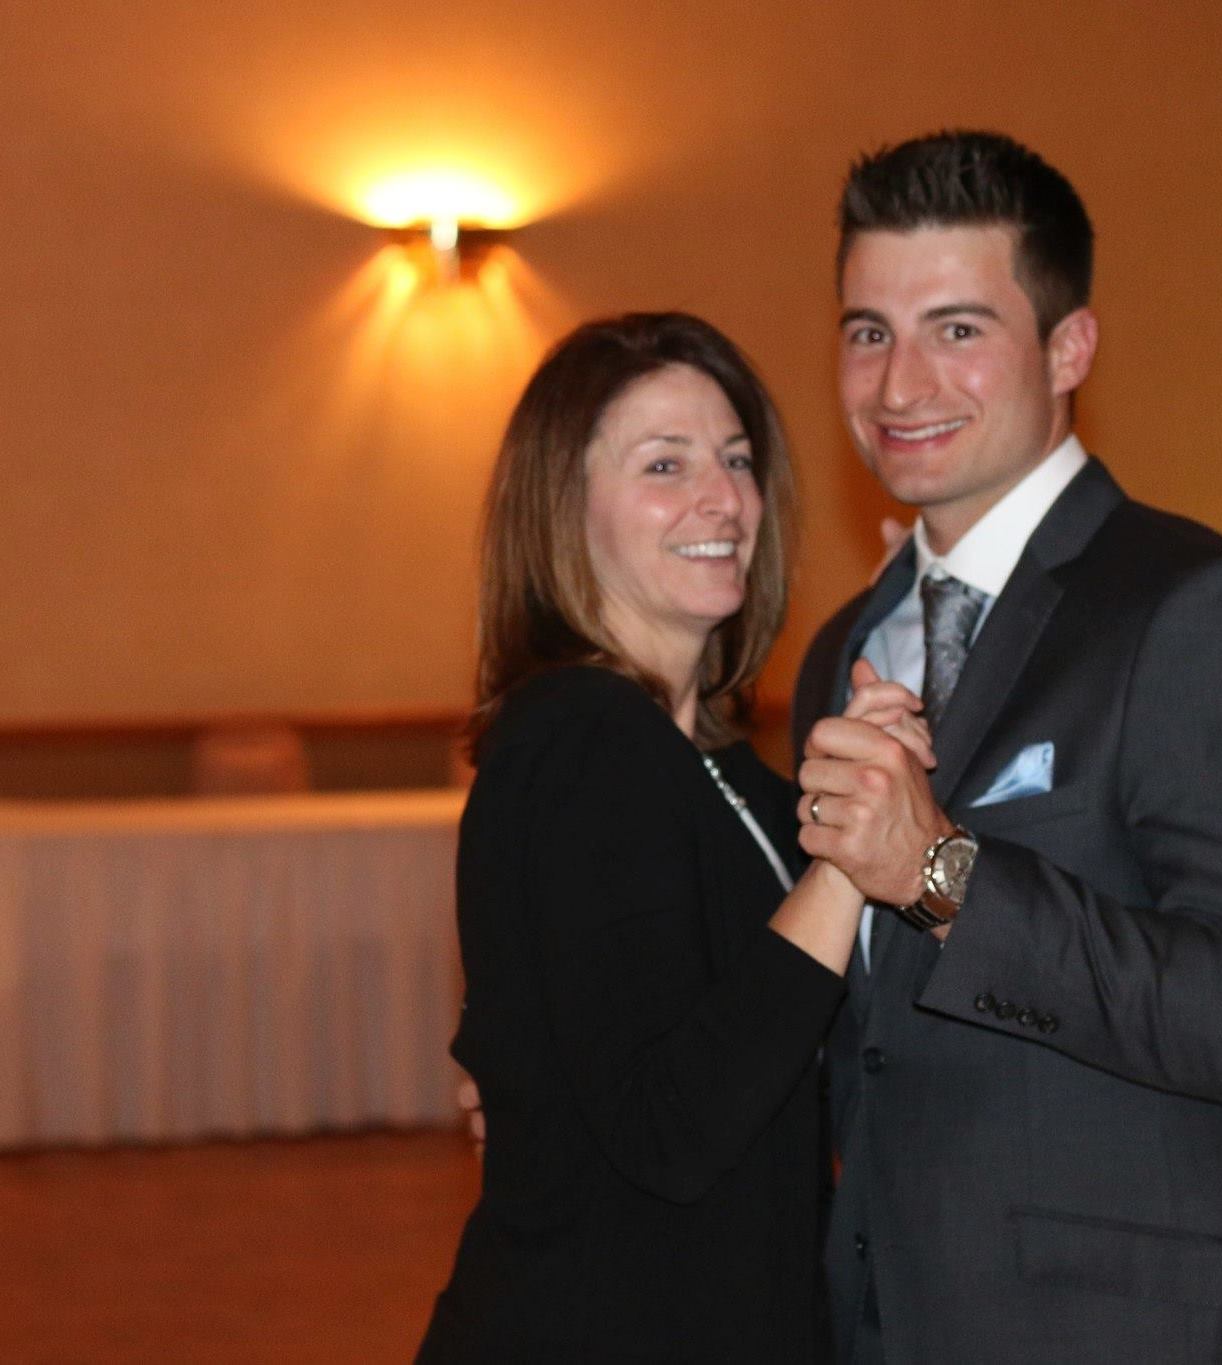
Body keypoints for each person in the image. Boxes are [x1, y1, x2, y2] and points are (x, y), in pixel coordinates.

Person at [794, 131, 1222, 1362]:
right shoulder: (847, 643)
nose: (898, 387)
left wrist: (943, 873)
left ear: (1069, 348)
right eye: (867, 332)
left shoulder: (1205, 612)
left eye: (956, 329)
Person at [415, 312, 928, 1362]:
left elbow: (780, 1043)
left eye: (736, 460)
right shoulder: (581, 739)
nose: (722, 500)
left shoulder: (719, 765)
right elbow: (674, 1124)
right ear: (568, 509)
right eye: (666, 464)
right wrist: (846, 855)